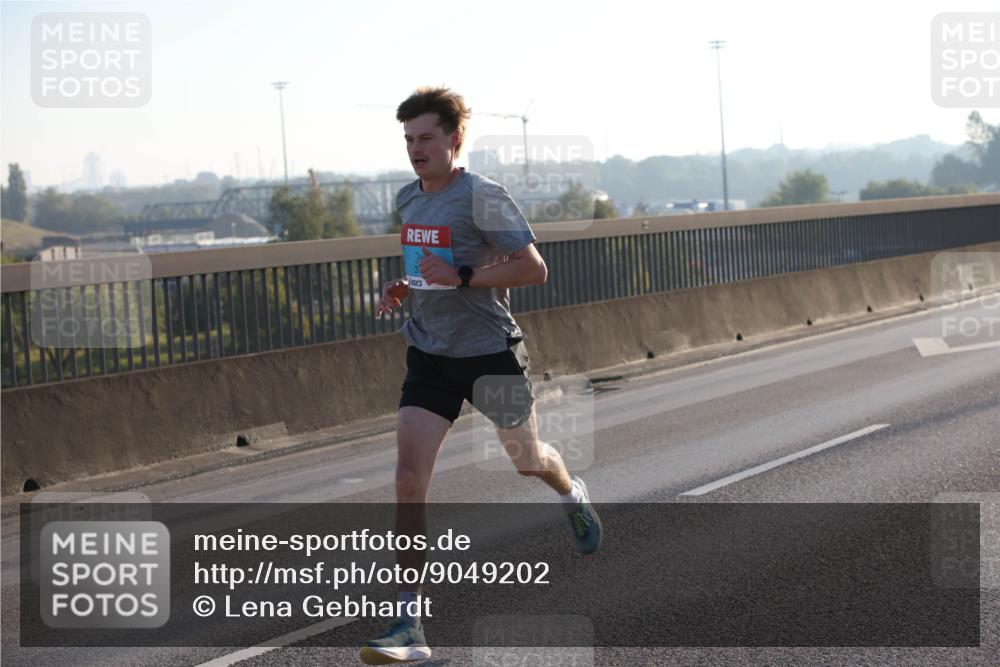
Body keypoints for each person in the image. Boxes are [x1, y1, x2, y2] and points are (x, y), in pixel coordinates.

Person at [359, 87, 602, 666]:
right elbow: (428, 269)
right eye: (409, 140)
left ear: (454, 139)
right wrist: (407, 286)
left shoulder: (483, 197)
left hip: (489, 352)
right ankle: (409, 625)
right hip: (430, 354)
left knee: (527, 461)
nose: (416, 150)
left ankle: (571, 492)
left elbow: (532, 268)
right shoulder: (408, 199)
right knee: (408, 479)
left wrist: (462, 275)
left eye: (426, 138)